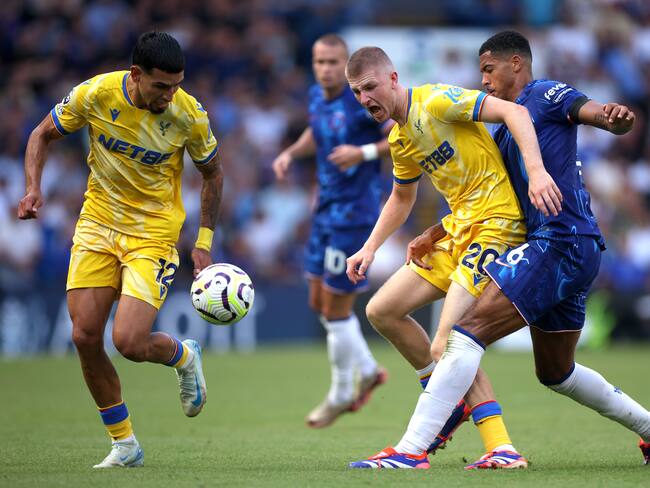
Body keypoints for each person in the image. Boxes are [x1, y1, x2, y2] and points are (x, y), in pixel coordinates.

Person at [362, 30, 650, 470]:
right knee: (556, 372)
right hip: (569, 247)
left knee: (465, 330)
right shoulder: (499, 136)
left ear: (516, 63)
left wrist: (612, 119)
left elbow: (591, 112)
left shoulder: (546, 94)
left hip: (560, 241)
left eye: (489, 69)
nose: (484, 80)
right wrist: (437, 232)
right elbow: (492, 193)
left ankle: (412, 449)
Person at [344, 45, 560, 469]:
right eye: (355, 92)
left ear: (392, 79)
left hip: (496, 226)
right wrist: (369, 248)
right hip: (458, 231)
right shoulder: (400, 137)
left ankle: (500, 447)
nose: (364, 98)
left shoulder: (438, 100)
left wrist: (536, 173)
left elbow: (515, 114)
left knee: (449, 342)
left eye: (370, 86)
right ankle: (450, 401)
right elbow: (401, 197)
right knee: (382, 310)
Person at [18, 32, 222, 468]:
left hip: (153, 234)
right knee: (84, 336)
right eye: (161, 86)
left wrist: (203, 241)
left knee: (128, 341)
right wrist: (33, 189)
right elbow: (41, 135)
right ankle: (124, 443)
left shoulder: (190, 116)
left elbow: (213, 174)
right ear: (136, 75)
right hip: (97, 225)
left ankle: (183, 356)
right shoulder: (96, 94)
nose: (170, 95)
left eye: (177, 85)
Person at [272, 34, 390, 428]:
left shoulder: (362, 103)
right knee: (317, 304)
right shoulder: (316, 97)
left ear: (346, 65)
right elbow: (316, 133)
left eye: (332, 62)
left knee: (337, 308)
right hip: (324, 212)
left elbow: (400, 134)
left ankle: (342, 391)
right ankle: (370, 369)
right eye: (319, 61)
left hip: (354, 215)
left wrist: (365, 152)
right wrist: (291, 152)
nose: (325, 69)